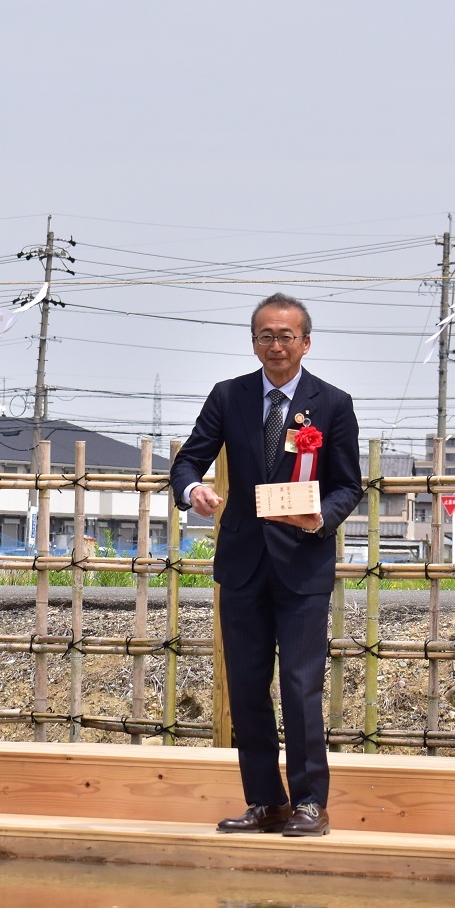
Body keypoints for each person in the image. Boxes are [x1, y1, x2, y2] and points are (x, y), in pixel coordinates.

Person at [169, 292, 361, 837]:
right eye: (265, 336)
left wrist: (320, 519)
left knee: (302, 688)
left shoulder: (333, 403)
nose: (276, 345)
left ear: (306, 341)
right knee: (247, 689)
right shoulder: (228, 396)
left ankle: (308, 804)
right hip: (242, 562)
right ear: (252, 341)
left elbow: (349, 484)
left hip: (303, 565)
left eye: (286, 336)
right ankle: (264, 801)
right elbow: (188, 459)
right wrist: (192, 490)